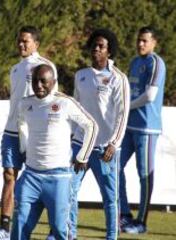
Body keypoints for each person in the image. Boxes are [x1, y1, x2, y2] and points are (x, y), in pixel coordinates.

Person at [0, 26, 57, 240]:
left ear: (36, 44)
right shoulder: (15, 69)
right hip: (11, 132)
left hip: (35, 134)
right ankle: (4, 228)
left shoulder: (46, 67)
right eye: (19, 41)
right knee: (8, 176)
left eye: (26, 41)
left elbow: (52, 100)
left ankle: (55, 230)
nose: (21, 44)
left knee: (44, 178)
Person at [10, 64, 98, 240]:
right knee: (20, 223)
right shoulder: (25, 103)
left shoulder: (64, 103)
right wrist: (24, 147)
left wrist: (83, 155)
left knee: (59, 228)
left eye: (44, 81)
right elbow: (20, 124)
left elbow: (91, 125)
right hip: (31, 175)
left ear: (53, 82)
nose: (39, 85)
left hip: (59, 178)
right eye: (35, 81)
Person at [69, 29, 130, 240]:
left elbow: (123, 115)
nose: (96, 49)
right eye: (94, 45)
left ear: (109, 50)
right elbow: (75, 109)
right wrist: (70, 136)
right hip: (80, 144)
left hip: (106, 147)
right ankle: (70, 235)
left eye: (101, 46)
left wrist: (114, 143)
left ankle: (111, 237)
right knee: (69, 191)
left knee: (110, 198)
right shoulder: (81, 75)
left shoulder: (118, 79)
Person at [119, 26, 166, 234]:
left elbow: (150, 96)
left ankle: (142, 223)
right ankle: (125, 214)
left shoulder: (155, 62)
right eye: (139, 40)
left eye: (145, 41)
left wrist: (127, 106)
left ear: (154, 42)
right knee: (114, 167)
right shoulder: (135, 62)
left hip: (147, 128)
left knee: (144, 175)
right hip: (129, 125)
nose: (140, 44)